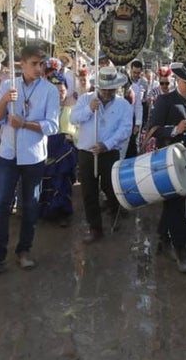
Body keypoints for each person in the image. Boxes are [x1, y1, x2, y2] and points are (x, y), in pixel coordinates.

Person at [0, 44, 60, 278]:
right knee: (2, 204)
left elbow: (52, 126)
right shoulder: (8, 85)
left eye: (41, 63)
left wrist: (24, 124)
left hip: (33, 155)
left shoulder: (49, 91)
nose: (38, 68)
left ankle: (24, 250)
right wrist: (4, 100)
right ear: (22, 64)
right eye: (33, 63)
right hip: (8, 153)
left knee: (30, 205)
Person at [149, 61, 186, 273]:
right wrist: (174, 129)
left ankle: (163, 239)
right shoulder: (165, 101)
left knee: (176, 203)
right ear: (179, 80)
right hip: (168, 161)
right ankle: (180, 247)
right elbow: (153, 129)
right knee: (175, 204)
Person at [70, 66, 133, 243]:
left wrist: (107, 144)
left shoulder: (124, 105)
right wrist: (89, 109)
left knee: (111, 188)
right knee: (88, 192)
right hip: (87, 153)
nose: (107, 92)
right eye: (104, 88)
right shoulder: (85, 100)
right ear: (98, 86)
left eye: (111, 89)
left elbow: (125, 129)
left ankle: (115, 212)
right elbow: (73, 119)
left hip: (109, 152)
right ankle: (95, 228)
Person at [39, 71, 77, 227]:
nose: (60, 94)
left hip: (67, 148)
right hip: (48, 146)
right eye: (56, 91)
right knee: (46, 179)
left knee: (62, 180)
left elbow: (79, 128)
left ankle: (62, 212)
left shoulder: (75, 105)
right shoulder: (45, 107)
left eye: (62, 91)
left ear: (66, 90)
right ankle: (47, 211)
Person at [126, 58, 147, 159]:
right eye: (134, 72)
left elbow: (139, 107)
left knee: (131, 150)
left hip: (131, 121)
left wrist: (138, 124)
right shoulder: (123, 82)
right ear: (130, 70)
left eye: (138, 73)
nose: (136, 75)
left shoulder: (140, 86)